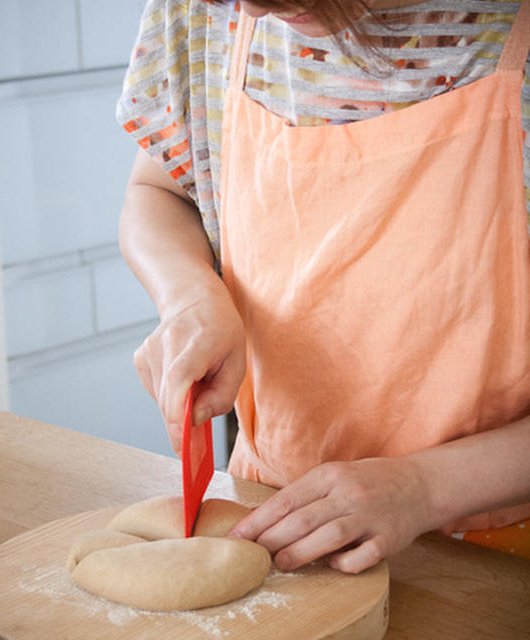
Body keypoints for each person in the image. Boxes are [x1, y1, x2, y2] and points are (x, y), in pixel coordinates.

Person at [117, 0, 530, 572]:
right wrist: (190, 293)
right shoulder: (205, 13)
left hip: (492, 552)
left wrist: (423, 488)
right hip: (270, 520)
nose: (252, 6)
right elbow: (158, 190)